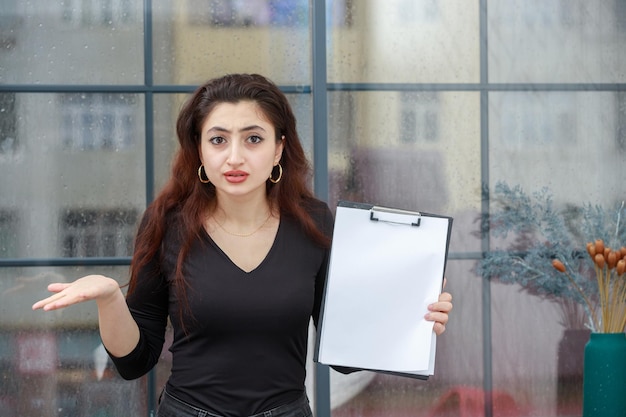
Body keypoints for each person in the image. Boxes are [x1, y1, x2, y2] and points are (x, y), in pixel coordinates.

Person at [33, 73, 453, 417]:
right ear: (198, 149)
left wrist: (411, 311)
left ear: (278, 149)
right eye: (218, 140)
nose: (234, 157)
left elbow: (343, 351)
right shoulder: (165, 224)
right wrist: (109, 298)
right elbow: (134, 361)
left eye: (253, 139)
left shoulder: (316, 222)